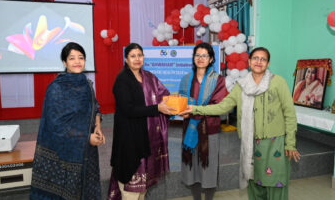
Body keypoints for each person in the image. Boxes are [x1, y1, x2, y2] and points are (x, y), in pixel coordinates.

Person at [180, 47, 300, 200]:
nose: (259, 62)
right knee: (254, 183)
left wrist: (290, 143)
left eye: (263, 59)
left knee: (276, 185)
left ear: (268, 63)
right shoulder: (241, 86)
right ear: (249, 62)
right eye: (255, 58)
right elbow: (222, 106)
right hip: (251, 144)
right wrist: (196, 109)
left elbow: (290, 114)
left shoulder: (278, 82)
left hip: (274, 143)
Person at [30, 42, 105, 200]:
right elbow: (56, 125)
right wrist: (86, 137)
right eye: (72, 58)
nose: (77, 61)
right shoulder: (56, 88)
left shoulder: (86, 83)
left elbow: (95, 106)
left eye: (81, 58)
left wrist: (97, 126)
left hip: (87, 150)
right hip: (64, 151)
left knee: (87, 189)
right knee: (66, 192)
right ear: (65, 62)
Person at [108, 43, 175, 200]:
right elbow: (128, 110)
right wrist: (157, 108)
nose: (137, 59)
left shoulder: (149, 77)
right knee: (130, 191)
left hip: (146, 139)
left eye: (140, 55)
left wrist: (176, 105)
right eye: (133, 56)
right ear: (126, 59)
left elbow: (163, 95)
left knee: (142, 191)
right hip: (129, 141)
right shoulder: (122, 80)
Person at [178, 42, 227, 200]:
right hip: (190, 129)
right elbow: (181, 103)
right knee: (191, 169)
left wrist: (196, 109)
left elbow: (219, 105)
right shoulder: (186, 80)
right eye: (197, 55)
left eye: (204, 55)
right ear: (193, 58)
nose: (200, 58)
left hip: (209, 130)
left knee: (208, 168)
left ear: (211, 59)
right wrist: (181, 111)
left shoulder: (218, 80)